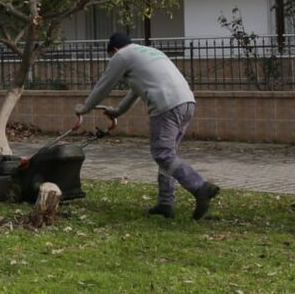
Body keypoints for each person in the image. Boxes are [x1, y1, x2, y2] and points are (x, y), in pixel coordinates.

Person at [75, 32, 220, 220]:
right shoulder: (148, 52)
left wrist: (85, 107)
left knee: (162, 154)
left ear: (115, 50)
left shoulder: (122, 56)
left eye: (111, 55)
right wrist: (117, 112)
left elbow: (104, 85)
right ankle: (165, 203)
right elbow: (135, 91)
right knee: (168, 156)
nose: (112, 58)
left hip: (166, 106)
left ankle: (200, 186)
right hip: (186, 103)